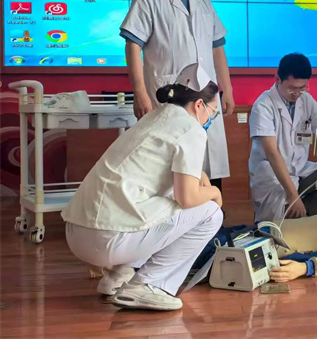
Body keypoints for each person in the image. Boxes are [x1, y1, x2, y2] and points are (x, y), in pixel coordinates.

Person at [61, 64, 223, 311]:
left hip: (77, 234)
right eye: (213, 112)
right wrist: (215, 192)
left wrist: (198, 175)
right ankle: (148, 285)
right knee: (210, 213)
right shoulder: (192, 129)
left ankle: (117, 275)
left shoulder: (155, 117)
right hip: (108, 238)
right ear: (199, 105)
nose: (211, 119)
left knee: (160, 196)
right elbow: (188, 198)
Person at [120, 0, 234, 187]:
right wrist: (140, 92)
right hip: (169, 98)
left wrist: (227, 89)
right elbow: (133, 46)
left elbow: (217, 49)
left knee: (208, 169)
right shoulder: (147, 0)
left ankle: (212, 212)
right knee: (172, 171)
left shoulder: (204, 3)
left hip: (206, 99)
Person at [248, 53, 317, 222]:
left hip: (300, 169)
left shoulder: (306, 100)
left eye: (302, 88)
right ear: (277, 79)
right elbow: (272, 154)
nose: (297, 93)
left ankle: (305, 217)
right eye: (292, 88)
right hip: (273, 176)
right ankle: (292, 214)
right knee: (283, 207)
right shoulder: (263, 106)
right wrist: (293, 196)